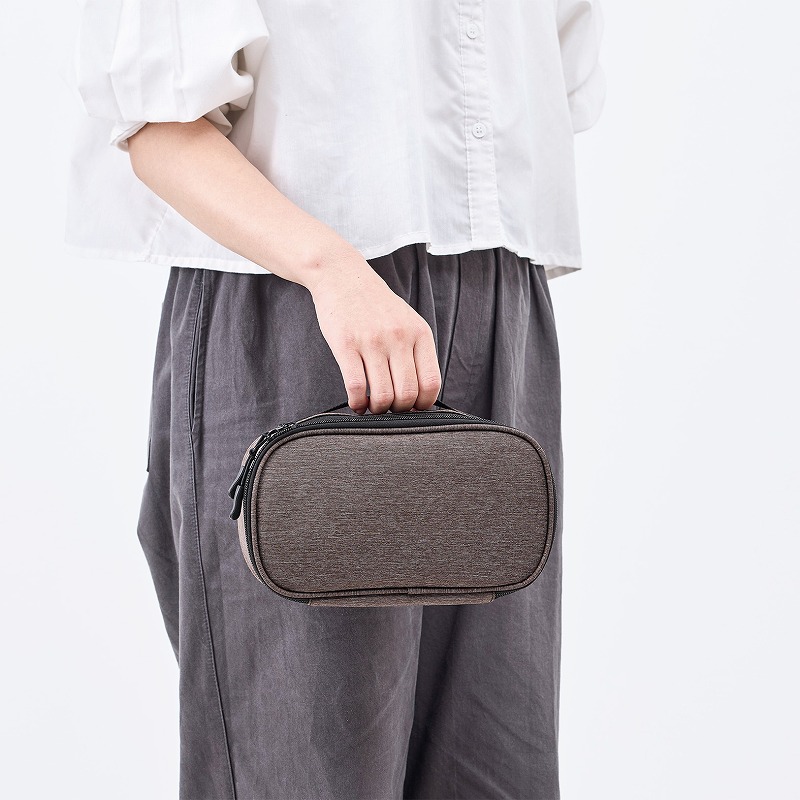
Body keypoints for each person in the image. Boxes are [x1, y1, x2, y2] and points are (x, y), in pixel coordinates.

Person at [65, 1, 605, 797]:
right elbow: (156, 122)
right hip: (302, 304)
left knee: (497, 763)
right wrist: (331, 271)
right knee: (301, 766)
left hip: (503, 303)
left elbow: (551, 82)